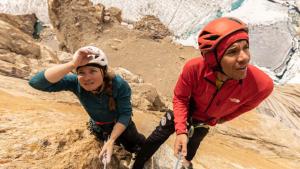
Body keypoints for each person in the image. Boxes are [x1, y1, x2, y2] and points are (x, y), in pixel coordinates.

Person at [132, 17, 274, 169]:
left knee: (188, 153)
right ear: (213, 60)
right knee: (156, 138)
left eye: (245, 47)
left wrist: (219, 118)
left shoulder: (262, 86)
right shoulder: (194, 69)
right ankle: (137, 165)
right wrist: (181, 130)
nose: (245, 57)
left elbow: (244, 107)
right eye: (232, 52)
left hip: (204, 121)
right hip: (187, 110)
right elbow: (180, 98)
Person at [29, 46, 145, 165]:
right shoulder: (75, 83)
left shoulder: (119, 84)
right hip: (98, 127)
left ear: (103, 72)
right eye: (81, 72)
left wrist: (111, 140)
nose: (87, 77)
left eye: (92, 71)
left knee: (137, 145)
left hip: (122, 125)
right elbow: (36, 83)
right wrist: (72, 64)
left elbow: (125, 114)